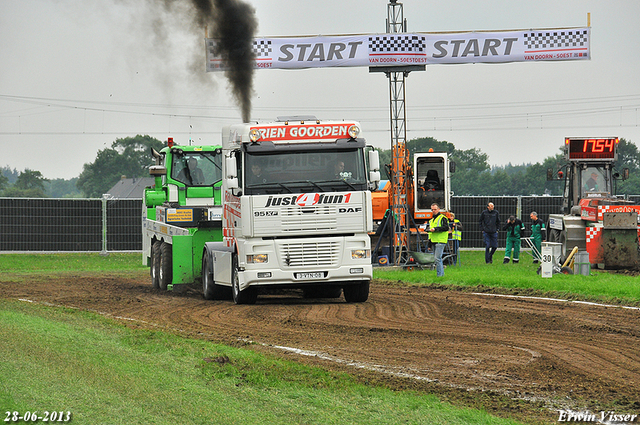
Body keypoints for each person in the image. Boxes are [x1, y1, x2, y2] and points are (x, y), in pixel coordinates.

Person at [426, 203, 449, 277]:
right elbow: (430, 234)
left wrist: (435, 229)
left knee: (437, 258)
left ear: (439, 209)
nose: (433, 211)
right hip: (434, 241)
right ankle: (441, 274)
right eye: (432, 209)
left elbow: (446, 227)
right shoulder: (431, 220)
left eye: (435, 209)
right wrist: (429, 244)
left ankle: (440, 275)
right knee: (437, 259)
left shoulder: (443, 218)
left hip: (440, 241)